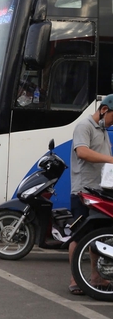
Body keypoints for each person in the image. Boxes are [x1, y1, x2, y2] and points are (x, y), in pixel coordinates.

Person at [68, 94, 113, 294]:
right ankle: (74, 280)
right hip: (82, 191)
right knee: (78, 236)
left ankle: (96, 278)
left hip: (99, 191)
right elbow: (83, 152)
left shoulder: (103, 131)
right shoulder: (84, 126)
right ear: (104, 110)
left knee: (97, 235)